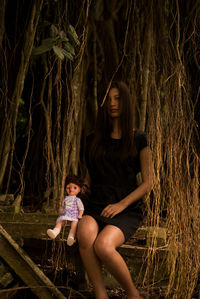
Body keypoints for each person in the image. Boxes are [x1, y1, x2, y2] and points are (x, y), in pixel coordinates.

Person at [77, 81, 153, 299]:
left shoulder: (139, 138)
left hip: (126, 209)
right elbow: (90, 176)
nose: (112, 103)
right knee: (84, 233)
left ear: (126, 102)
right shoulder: (93, 139)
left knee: (103, 245)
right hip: (96, 205)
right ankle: (100, 294)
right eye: (108, 99)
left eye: (117, 98)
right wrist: (76, 199)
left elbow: (149, 182)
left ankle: (132, 294)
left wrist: (121, 205)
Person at [47, 175, 84, 246]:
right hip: (65, 216)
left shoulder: (77, 200)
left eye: (75, 188)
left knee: (74, 225)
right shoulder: (65, 199)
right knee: (60, 222)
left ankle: (71, 237)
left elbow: (81, 208)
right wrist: (61, 212)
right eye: (68, 187)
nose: (71, 189)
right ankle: (55, 231)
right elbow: (63, 207)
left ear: (79, 190)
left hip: (74, 217)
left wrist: (80, 215)